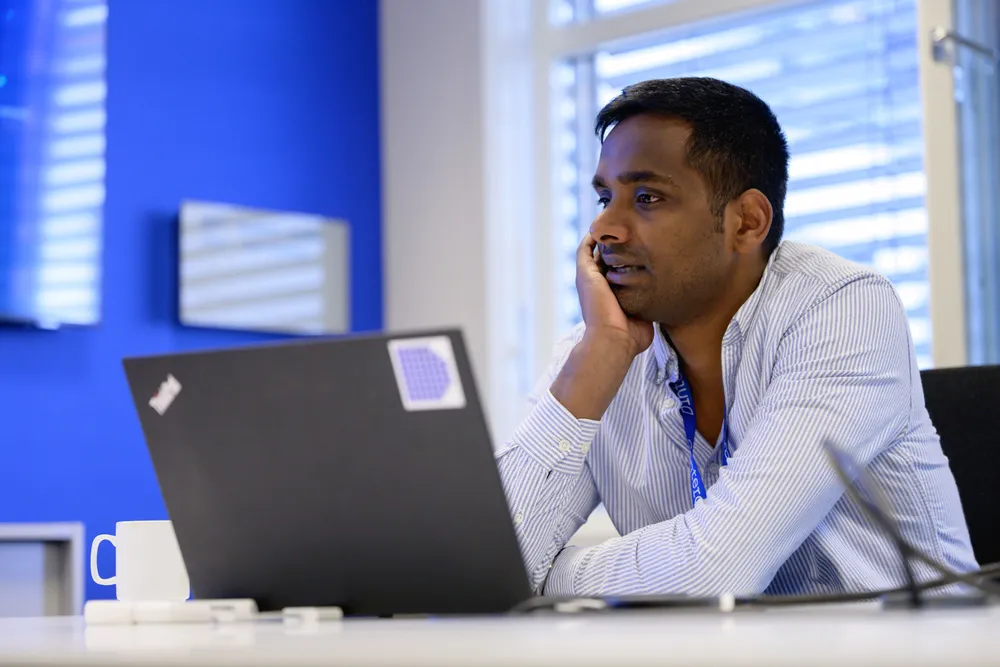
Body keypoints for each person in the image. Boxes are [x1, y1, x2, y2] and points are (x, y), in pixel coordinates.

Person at [495, 77, 977, 597]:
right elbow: (485, 561)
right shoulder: (599, 347)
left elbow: (715, 571)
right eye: (604, 197)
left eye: (647, 197)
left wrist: (550, 576)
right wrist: (595, 361)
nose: (604, 229)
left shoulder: (843, 308)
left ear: (747, 222)